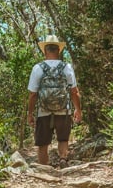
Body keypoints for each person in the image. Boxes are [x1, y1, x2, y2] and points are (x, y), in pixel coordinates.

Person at [27, 35, 82, 167]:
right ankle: (63, 159)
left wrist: (30, 113)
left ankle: (44, 168)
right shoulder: (66, 67)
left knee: (42, 143)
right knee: (63, 138)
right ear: (58, 50)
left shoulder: (38, 68)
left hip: (43, 111)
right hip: (64, 109)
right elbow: (74, 91)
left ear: (45, 51)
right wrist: (78, 109)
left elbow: (33, 94)